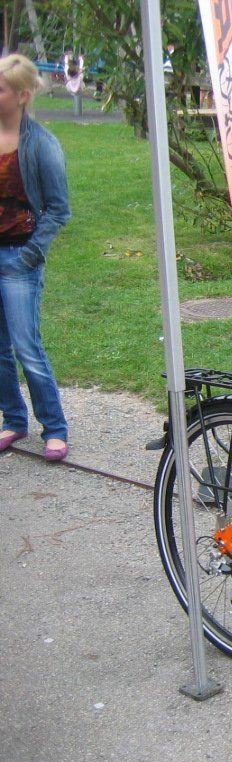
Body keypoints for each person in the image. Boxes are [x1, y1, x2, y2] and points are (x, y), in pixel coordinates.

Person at [0, 54, 71, 461]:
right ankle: (13, 419)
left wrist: (30, 255)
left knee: (27, 347)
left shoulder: (41, 144)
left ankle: (55, 428)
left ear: (22, 95)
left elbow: (59, 209)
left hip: (19, 259)